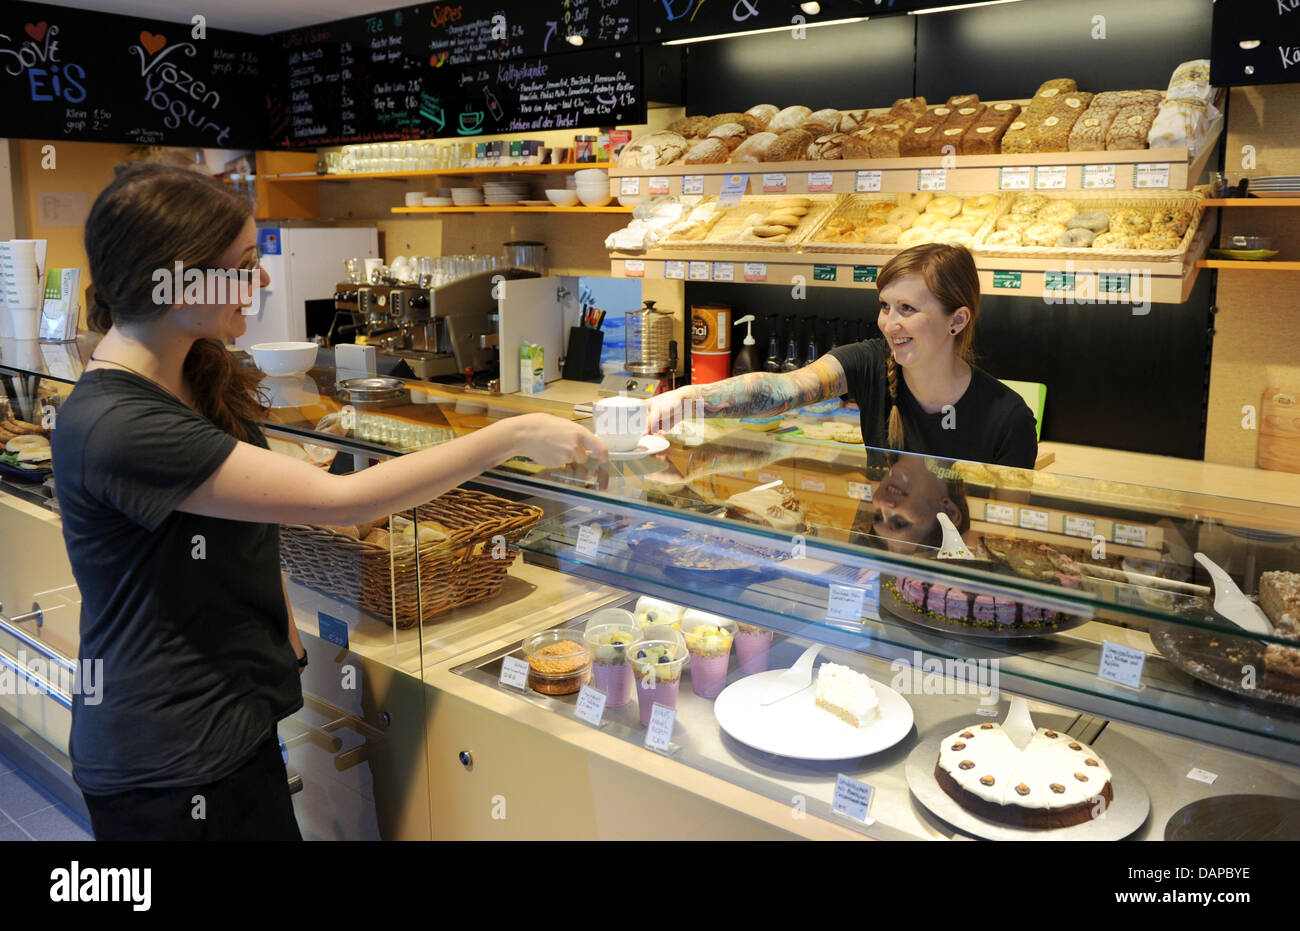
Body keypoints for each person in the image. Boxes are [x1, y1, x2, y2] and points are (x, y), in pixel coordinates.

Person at [51, 162, 605, 840]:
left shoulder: (185, 374)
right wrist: (511, 435)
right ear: (174, 278)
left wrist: (278, 615)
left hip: (227, 727)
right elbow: (338, 502)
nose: (262, 281)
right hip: (171, 761)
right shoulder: (121, 424)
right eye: (246, 263)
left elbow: (233, 516)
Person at [648, 243, 1038, 468]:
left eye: (908, 309)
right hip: (880, 561)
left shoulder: (1008, 418)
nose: (889, 324)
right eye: (886, 306)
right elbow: (784, 389)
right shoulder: (869, 362)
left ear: (957, 320)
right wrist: (688, 399)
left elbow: (1001, 533)